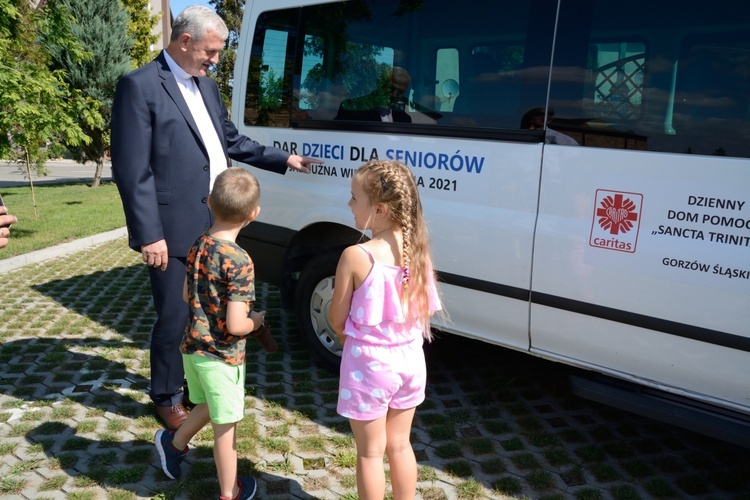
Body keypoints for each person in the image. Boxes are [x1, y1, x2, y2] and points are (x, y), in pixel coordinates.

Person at [110, 5, 318, 430]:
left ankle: (194, 388)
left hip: (214, 226)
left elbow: (230, 139)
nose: (215, 60)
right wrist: (149, 235)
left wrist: (285, 158)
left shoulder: (206, 86)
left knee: (208, 314)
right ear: (184, 41)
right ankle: (165, 396)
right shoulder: (139, 86)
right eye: (211, 51)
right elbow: (132, 172)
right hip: (169, 231)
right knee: (175, 316)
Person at [329, 159, 442, 499]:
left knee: (370, 452)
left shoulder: (355, 255)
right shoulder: (418, 253)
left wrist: (343, 333)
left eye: (354, 198)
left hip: (370, 365)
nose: (349, 204)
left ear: (377, 209)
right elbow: (425, 310)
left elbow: (336, 319)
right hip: (410, 359)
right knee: (400, 445)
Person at [155, 167, 266, 500]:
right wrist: (256, 322)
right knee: (225, 430)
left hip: (192, 348)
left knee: (205, 405)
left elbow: (187, 294)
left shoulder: (198, 245)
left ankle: (173, 444)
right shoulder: (240, 260)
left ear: (210, 204)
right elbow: (236, 325)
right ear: (253, 214)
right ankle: (229, 492)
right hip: (222, 357)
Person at [335, 66, 412, 123]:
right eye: (391, 89)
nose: (394, 95)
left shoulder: (404, 119)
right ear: (379, 84)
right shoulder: (351, 108)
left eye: (400, 92)